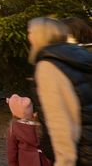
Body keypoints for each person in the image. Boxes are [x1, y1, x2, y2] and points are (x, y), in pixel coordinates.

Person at [27, 17, 92, 166]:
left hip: (79, 153)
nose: (29, 36)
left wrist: (65, 161)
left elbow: (59, 120)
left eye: (31, 32)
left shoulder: (48, 67)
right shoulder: (81, 56)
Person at [6, 94, 52, 166]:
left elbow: (11, 152)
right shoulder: (41, 122)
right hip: (44, 161)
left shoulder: (14, 128)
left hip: (27, 162)